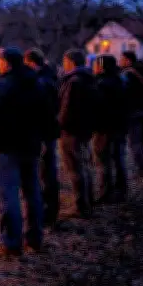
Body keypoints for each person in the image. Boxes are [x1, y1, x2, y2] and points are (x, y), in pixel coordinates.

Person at [0, 47, 46, 258]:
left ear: (6, 63)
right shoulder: (36, 83)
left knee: (7, 194)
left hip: (6, 147)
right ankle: (34, 238)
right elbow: (45, 112)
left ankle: (12, 243)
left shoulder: (2, 85)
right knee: (32, 192)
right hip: (30, 145)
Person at [23, 48, 61, 227]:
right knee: (46, 171)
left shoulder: (42, 82)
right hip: (47, 132)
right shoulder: (48, 78)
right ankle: (48, 210)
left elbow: (44, 111)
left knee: (47, 173)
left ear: (31, 63)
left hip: (44, 133)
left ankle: (49, 211)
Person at [58, 49, 97, 219]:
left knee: (75, 167)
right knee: (84, 165)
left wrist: (59, 124)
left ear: (71, 61)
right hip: (84, 128)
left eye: (65, 61)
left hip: (72, 130)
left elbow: (67, 109)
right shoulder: (88, 78)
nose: (63, 64)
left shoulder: (74, 81)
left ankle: (80, 205)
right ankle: (88, 200)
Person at [92, 55, 128, 204]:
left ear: (101, 65)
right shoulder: (121, 80)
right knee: (119, 158)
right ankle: (121, 189)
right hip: (120, 125)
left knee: (103, 160)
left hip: (105, 128)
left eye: (95, 64)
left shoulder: (102, 83)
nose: (93, 67)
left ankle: (105, 192)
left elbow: (98, 108)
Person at [119, 51, 143, 177]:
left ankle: (142, 168)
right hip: (142, 109)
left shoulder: (127, 74)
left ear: (128, 60)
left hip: (133, 111)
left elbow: (123, 93)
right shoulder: (141, 69)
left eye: (122, 59)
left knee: (135, 142)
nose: (120, 61)